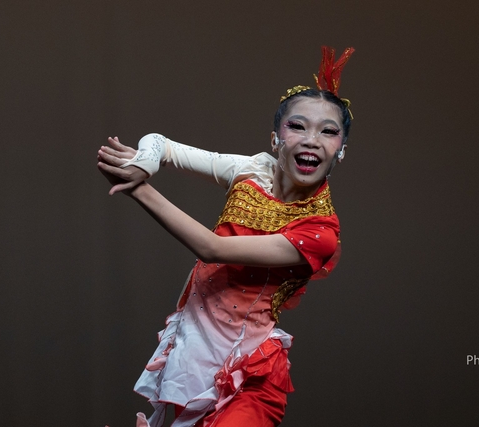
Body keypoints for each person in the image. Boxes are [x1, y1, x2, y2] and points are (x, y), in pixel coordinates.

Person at [97, 46, 355, 427]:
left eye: (328, 131)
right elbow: (161, 144)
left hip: (249, 377)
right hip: (195, 355)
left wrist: (137, 188)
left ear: (341, 150)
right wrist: (143, 163)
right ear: (275, 139)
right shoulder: (252, 169)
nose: (312, 139)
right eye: (297, 126)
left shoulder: (320, 232)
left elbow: (212, 248)